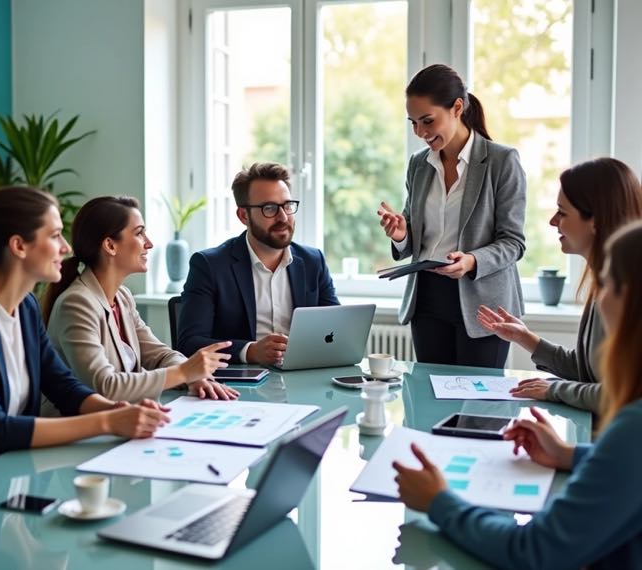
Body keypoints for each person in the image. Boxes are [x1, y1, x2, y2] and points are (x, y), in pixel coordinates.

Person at [392, 220, 642, 569]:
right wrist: (570, 455)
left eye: (609, 285)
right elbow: (627, 471)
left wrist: (439, 501)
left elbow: (534, 549)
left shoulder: (634, 426)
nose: (601, 299)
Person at [0, 187, 169, 478]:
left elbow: (63, 386)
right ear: (19, 246)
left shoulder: (25, 308)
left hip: (8, 473)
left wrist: (115, 409)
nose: (65, 247)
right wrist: (108, 422)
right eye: (54, 236)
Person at [377, 64, 526, 368]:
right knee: (432, 408)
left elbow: (513, 243)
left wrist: (471, 261)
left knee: (478, 411)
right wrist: (401, 234)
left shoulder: (502, 161)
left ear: (457, 108)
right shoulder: (418, 164)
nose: (420, 133)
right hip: (428, 299)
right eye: (413, 123)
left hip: (484, 302)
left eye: (428, 121)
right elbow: (416, 235)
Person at [42, 196, 238, 409]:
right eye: (139, 233)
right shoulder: (77, 303)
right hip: (78, 431)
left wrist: (193, 376)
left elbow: (160, 354)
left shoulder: (122, 297)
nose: (149, 243)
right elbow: (104, 386)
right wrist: (183, 372)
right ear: (110, 245)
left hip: (124, 421)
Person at [478, 158, 642, 411]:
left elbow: (623, 394)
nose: (553, 221)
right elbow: (589, 371)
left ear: (595, 221)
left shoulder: (626, 294)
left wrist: (555, 389)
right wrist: (526, 339)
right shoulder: (605, 283)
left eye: (562, 212)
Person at [177, 162, 339, 365]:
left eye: (287, 206)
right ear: (244, 215)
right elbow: (189, 343)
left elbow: (336, 331)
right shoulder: (209, 265)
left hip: (303, 378)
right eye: (269, 208)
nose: (283, 217)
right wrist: (250, 351)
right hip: (239, 384)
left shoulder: (313, 261)